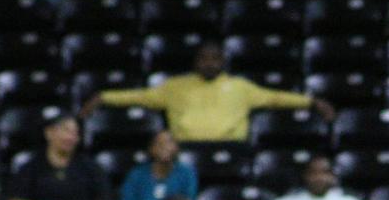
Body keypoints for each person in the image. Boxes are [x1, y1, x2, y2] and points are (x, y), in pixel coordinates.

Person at [87, 41, 331, 142]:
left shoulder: (240, 87)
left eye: (215, 59)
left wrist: (312, 102)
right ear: (196, 61)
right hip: (186, 151)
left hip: (231, 149)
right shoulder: (175, 86)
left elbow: (276, 98)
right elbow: (138, 96)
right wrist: (103, 97)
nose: (210, 63)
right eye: (204, 58)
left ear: (223, 61)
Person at [117, 128, 199, 200]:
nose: (164, 147)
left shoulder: (186, 174)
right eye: (159, 143)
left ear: (177, 147)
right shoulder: (137, 175)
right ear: (151, 148)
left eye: (169, 142)